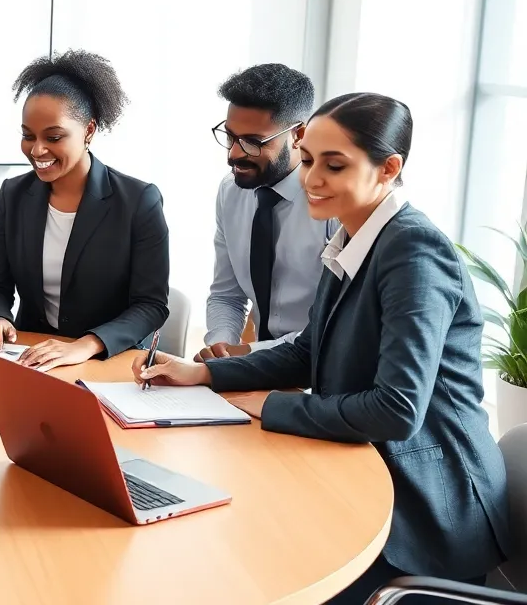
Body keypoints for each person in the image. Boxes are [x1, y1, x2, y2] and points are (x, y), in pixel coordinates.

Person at [136, 93, 509, 604]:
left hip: (424, 514)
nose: (311, 178)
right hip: (364, 475)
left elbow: (397, 410)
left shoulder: (413, 251)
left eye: (334, 165)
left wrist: (271, 406)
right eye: (308, 159)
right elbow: (308, 350)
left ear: (389, 168)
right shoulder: (354, 235)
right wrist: (202, 375)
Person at [0, 50, 170, 369]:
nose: (37, 150)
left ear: (89, 131)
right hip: (31, 357)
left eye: (53, 137)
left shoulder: (138, 201)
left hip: (108, 361)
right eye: (27, 136)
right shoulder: (13, 195)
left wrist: (87, 345)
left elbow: (151, 305)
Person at [200, 64, 338, 361]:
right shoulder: (231, 192)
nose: (234, 154)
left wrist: (246, 354)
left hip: (317, 370)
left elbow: (332, 327)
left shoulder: (333, 204)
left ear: (299, 135)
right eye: (230, 136)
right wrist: (221, 347)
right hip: (257, 366)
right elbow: (226, 295)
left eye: (252, 142)